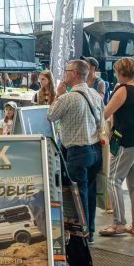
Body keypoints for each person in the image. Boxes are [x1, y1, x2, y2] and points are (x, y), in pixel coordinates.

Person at [99, 56, 134, 237]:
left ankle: (118, 224)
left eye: (116, 72)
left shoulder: (123, 90)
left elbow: (105, 113)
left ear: (122, 73)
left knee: (113, 180)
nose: (115, 76)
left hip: (127, 142)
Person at [47, 59, 102, 237]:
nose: (63, 74)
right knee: (90, 192)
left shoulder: (67, 97)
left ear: (74, 74)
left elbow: (50, 116)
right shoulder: (94, 94)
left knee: (79, 194)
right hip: (95, 150)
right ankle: (90, 232)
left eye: (66, 70)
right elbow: (101, 120)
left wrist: (57, 94)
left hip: (77, 152)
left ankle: (83, 236)